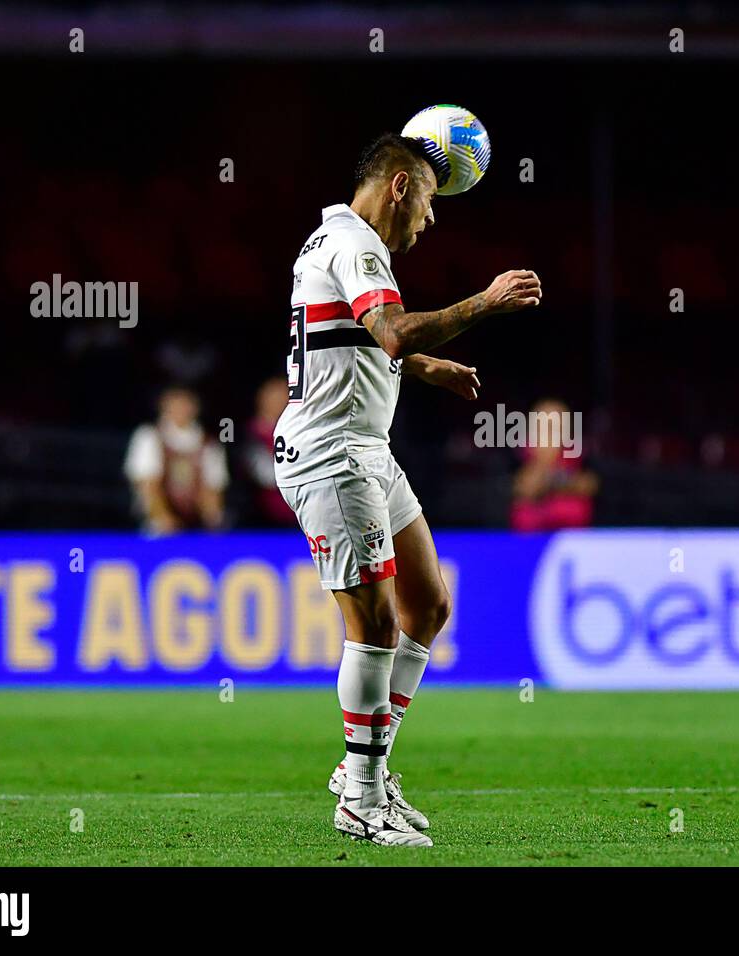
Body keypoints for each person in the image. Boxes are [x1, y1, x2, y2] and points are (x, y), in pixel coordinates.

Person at [274, 132, 542, 847]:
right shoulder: (359, 244)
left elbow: (352, 341)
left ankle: (367, 765)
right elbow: (388, 333)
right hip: (333, 455)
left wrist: (423, 368)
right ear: (399, 186)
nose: (431, 218)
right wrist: (482, 304)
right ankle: (361, 795)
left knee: (428, 603)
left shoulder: (337, 242)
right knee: (375, 625)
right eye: (429, 198)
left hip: (366, 450)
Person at [123, 386, 227, 534]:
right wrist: (162, 518)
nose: (180, 410)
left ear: (195, 408)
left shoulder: (209, 444)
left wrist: (213, 520)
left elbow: (213, 488)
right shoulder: (149, 436)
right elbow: (147, 485)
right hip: (153, 522)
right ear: (163, 406)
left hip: (195, 520)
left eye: (185, 404)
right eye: (175, 404)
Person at [510, 398, 599, 530]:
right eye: (543, 427)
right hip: (532, 527)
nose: (550, 434)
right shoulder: (523, 454)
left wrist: (554, 479)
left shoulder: (576, 451)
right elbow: (527, 488)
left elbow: (589, 485)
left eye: (555, 427)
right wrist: (544, 462)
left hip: (572, 525)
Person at [243, 377, 299, 527]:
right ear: (262, 397)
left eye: (284, 395)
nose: (279, 401)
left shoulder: (297, 432)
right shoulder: (247, 435)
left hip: (299, 519)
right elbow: (266, 475)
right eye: (274, 395)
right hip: (262, 521)